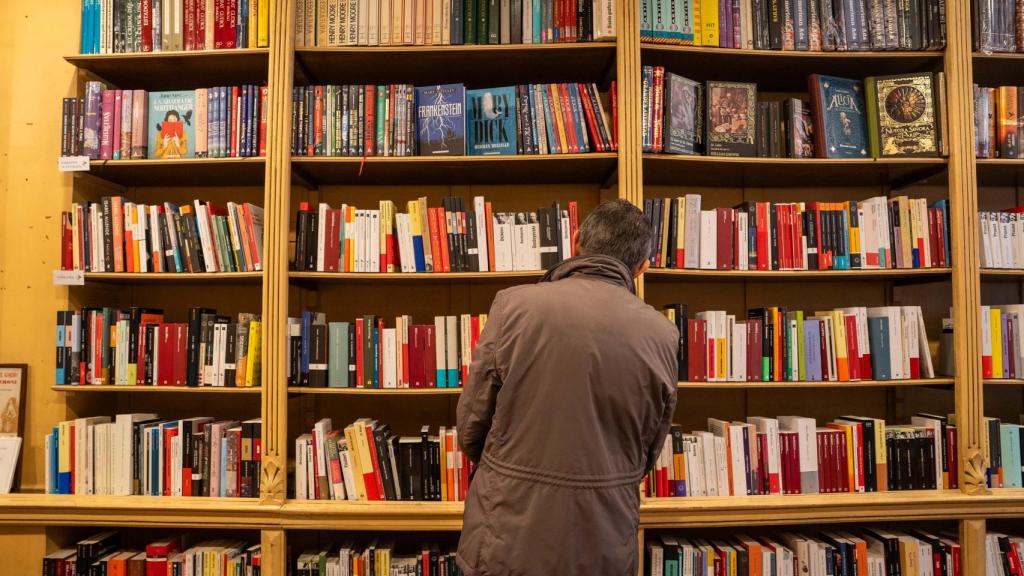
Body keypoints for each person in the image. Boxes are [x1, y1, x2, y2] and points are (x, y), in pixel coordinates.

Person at [456, 199, 679, 576]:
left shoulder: (514, 306)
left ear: (576, 241)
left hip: (507, 532)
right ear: (643, 267)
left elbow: (471, 425)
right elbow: (647, 450)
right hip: (604, 537)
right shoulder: (663, 334)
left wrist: (509, 468)